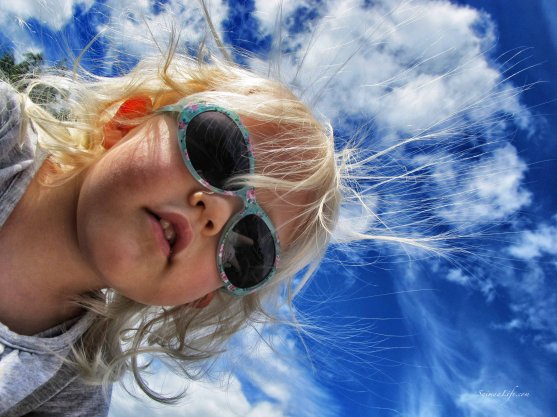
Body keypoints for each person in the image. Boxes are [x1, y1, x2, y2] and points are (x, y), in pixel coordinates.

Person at [0, 34, 341, 414]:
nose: (215, 213)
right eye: (214, 152)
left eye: (248, 246)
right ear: (127, 120)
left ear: (199, 296)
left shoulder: (69, 395)